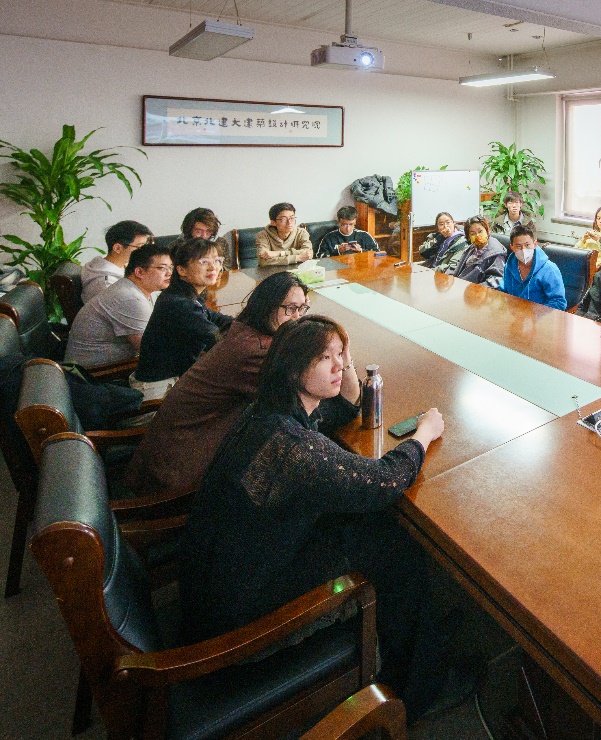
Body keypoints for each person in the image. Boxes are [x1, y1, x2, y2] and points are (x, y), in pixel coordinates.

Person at [178, 315, 454, 719]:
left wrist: (343, 356)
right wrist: (423, 434)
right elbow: (385, 481)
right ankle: (418, 691)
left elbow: (339, 410)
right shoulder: (292, 448)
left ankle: (415, 642)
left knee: (378, 531)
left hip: (225, 582)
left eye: (341, 355)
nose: (340, 365)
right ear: (293, 369)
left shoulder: (267, 412)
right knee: (398, 551)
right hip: (241, 626)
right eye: (325, 358)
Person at [123, 272, 310, 498]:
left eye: (302, 309)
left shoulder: (243, 332)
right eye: (290, 308)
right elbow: (298, 401)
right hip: (179, 476)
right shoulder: (256, 351)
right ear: (266, 307)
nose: (297, 318)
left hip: (167, 454)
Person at [132, 238, 233, 398]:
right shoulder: (179, 303)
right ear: (181, 270)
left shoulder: (184, 294)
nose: (213, 267)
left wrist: (251, 322)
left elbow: (219, 320)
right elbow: (216, 338)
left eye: (217, 260)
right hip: (160, 392)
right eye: (204, 261)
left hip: (176, 381)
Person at [64, 243, 173, 368]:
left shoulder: (137, 290)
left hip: (113, 366)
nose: (169, 273)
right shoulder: (130, 298)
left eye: (171, 267)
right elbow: (151, 352)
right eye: (162, 268)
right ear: (139, 272)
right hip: (95, 373)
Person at [81, 220, 153, 302]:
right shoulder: (107, 283)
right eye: (140, 247)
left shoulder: (116, 263)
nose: (145, 251)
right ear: (118, 248)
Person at [499, 225, 567, 310]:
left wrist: (533, 313)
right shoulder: (509, 266)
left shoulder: (549, 269)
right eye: (518, 246)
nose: (523, 250)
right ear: (512, 247)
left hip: (540, 316)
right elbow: (502, 292)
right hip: (513, 313)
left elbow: (559, 303)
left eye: (527, 245)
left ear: (535, 244)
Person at [453, 216, 506, 288]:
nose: (477, 236)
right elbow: (458, 266)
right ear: (469, 237)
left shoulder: (496, 252)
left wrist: (475, 290)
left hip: (474, 291)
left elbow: (497, 279)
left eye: (480, 231)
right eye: (472, 234)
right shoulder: (472, 248)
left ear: (487, 231)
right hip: (459, 285)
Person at [256, 202, 313, 266]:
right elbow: (263, 262)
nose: (289, 222)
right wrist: (297, 258)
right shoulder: (263, 235)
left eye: (292, 218)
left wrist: (279, 253)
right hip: (273, 271)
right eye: (283, 219)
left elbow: (308, 253)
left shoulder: (301, 232)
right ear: (273, 222)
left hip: (297, 270)